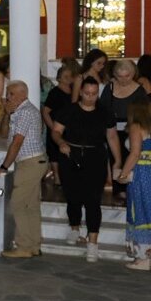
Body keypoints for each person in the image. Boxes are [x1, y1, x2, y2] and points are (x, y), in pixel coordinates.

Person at [52, 77, 123, 262]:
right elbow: (56, 131)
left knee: (93, 199)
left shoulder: (105, 112)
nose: (90, 97)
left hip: (95, 158)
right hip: (70, 156)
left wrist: (117, 160)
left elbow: (112, 136)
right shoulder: (69, 110)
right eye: (86, 93)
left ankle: (93, 242)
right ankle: (74, 228)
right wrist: (60, 143)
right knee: (72, 196)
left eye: (94, 94)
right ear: (81, 91)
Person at [0, 81, 48, 258]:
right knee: (30, 205)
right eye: (8, 93)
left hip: (31, 162)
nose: (8, 97)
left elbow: (17, 142)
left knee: (17, 203)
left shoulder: (26, 112)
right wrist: (7, 114)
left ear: (23, 94)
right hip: (31, 162)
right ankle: (34, 245)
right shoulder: (18, 112)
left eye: (12, 93)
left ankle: (23, 246)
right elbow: (5, 134)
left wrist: (3, 167)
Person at [118, 100, 151, 269]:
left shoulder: (136, 127)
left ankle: (143, 258)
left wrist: (123, 174)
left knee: (141, 210)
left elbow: (134, 153)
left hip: (141, 172)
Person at [99, 59, 147, 201]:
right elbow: (102, 109)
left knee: (130, 156)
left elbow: (144, 113)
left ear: (133, 74)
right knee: (115, 159)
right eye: (120, 76)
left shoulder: (139, 90)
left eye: (127, 76)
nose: (124, 79)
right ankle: (118, 189)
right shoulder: (110, 87)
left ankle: (130, 189)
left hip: (132, 130)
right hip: (112, 130)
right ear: (115, 74)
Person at [42, 63, 79, 188]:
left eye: (70, 76)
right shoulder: (55, 92)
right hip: (55, 126)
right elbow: (46, 111)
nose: (68, 78)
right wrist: (52, 127)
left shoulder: (74, 92)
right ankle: (57, 177)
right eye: (65, 76)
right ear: (59, 78)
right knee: (54, 152)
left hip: (68, 128)